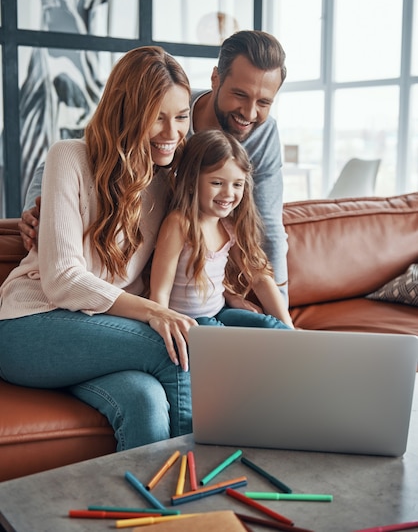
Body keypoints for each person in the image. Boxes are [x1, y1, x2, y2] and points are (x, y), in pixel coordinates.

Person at [0, 46, 198, 451]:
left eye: (180, 117)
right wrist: (154, 312)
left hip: (95, 341)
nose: (171, 133)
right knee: (174, 350)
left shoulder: (168, 181)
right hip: (30, 325)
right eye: (157, 117)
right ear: (127, 112)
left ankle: (145, 512)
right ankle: (194, 496)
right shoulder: (68, 157)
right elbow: (63, 281)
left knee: (144, 401)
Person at [19, 30, 289, 302]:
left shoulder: (263, 135)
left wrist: (270, 311)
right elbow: (85, 152)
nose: (250, 113)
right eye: (239, 95)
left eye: (264, 102)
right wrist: (39, 210)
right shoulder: (169, 99)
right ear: (216, 79)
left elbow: (267, 228)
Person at [150, 129, 293, 329]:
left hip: (219, 311)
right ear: (192, 182)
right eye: (217, 183)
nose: (228, 193)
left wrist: (290, 329)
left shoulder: (229, 225)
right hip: (189, 322)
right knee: (222, 337)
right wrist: (164, 330)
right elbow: (160, 292)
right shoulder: (179, 224)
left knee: (272, 326)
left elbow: (259, 278)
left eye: (237, 184)